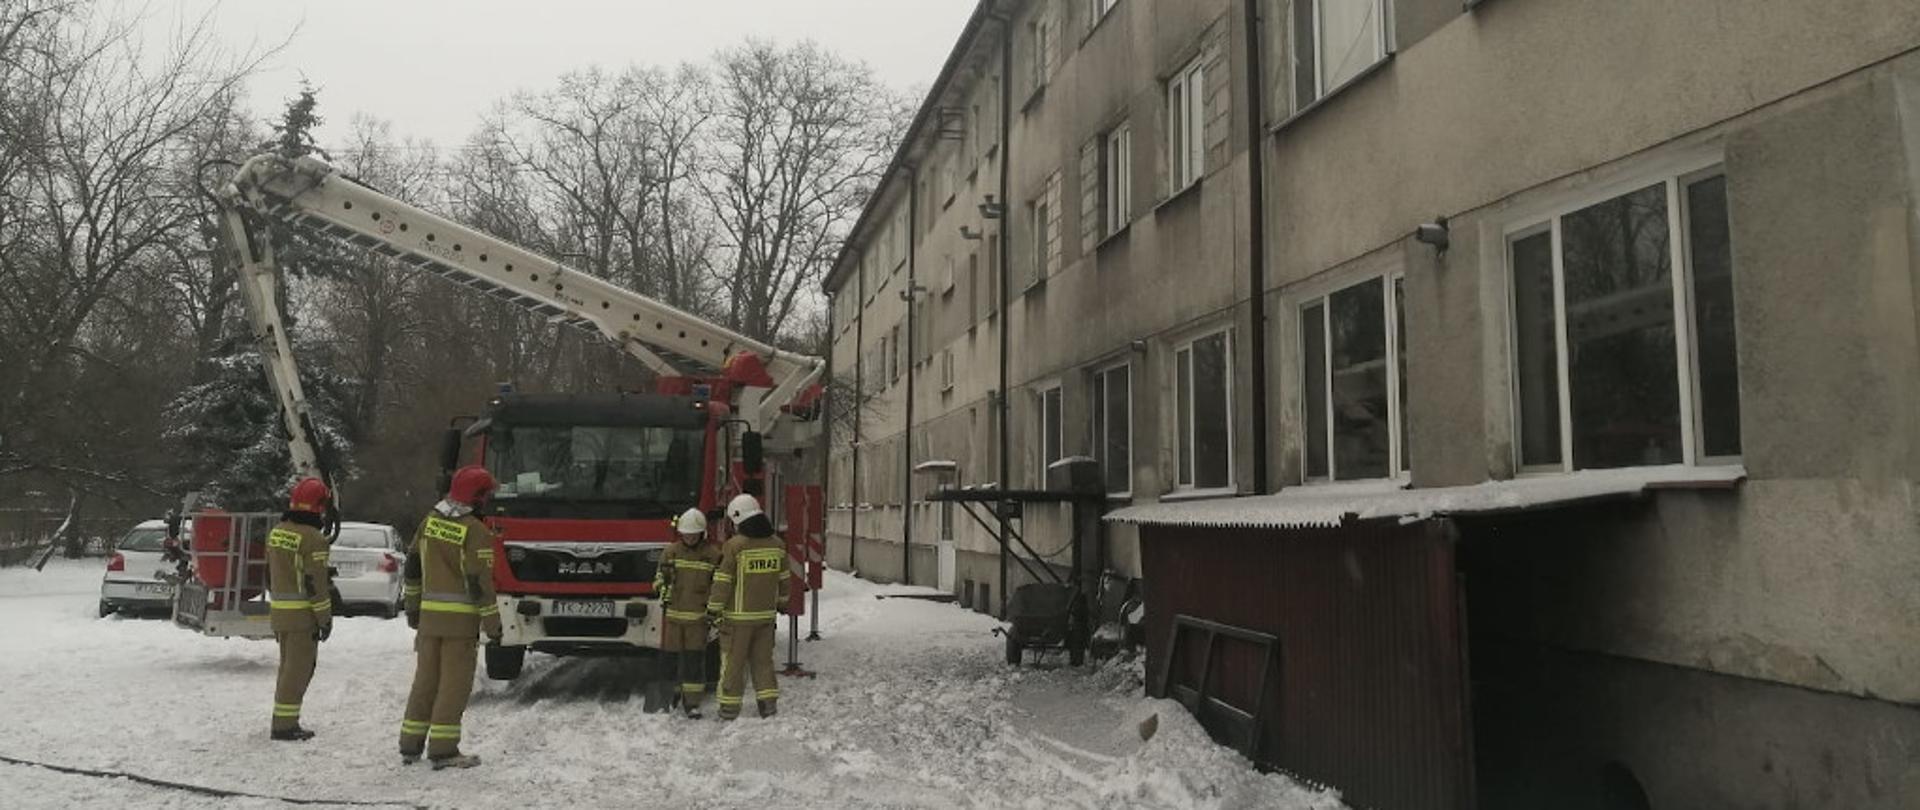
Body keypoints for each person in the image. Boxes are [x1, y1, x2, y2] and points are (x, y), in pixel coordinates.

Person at [397, 466, 502, 769]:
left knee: (425, 682)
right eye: (487, 495)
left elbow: (412, 567)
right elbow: (479, 582)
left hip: (429, 622)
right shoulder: (475, 530)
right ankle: (443, 750)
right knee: (453, 687)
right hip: (460, 626)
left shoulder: (429, 522)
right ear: (477, 497)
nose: (489, 501)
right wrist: (493, 625)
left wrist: (413, 608)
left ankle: (410, 744)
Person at [706, 493, 788, 720]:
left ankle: (729, 709)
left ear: (738, 518)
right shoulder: (777, 545)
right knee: (763, 662)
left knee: (733, 664)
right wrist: (782, 602)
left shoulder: (734, 546)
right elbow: (784, 579)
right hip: (766, 617)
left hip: (737, 619)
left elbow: (723, 581)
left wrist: (713, 609)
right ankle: (768, 705)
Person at [266, 477, 334, 741]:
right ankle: (285, 726)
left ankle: (282, 719)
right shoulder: (313, 539)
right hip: (302, 618)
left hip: (280, 613)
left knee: (287, 669)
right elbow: (315, 584)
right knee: (298, 671)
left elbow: (271, 573)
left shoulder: (278, 531)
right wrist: (324, 618)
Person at [654, 507, 723, 718]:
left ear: (702, 533)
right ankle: (666, 698)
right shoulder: (670, 552)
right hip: (673, 617)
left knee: (694, 662)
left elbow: (719, 585)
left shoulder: (713, 555)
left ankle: (692, 702)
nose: (690, 538)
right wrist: (661, 587)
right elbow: (659, 578)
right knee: (669, 660)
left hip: (698, 619)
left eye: (694, 534)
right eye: (686, 534)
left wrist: (714, 611)